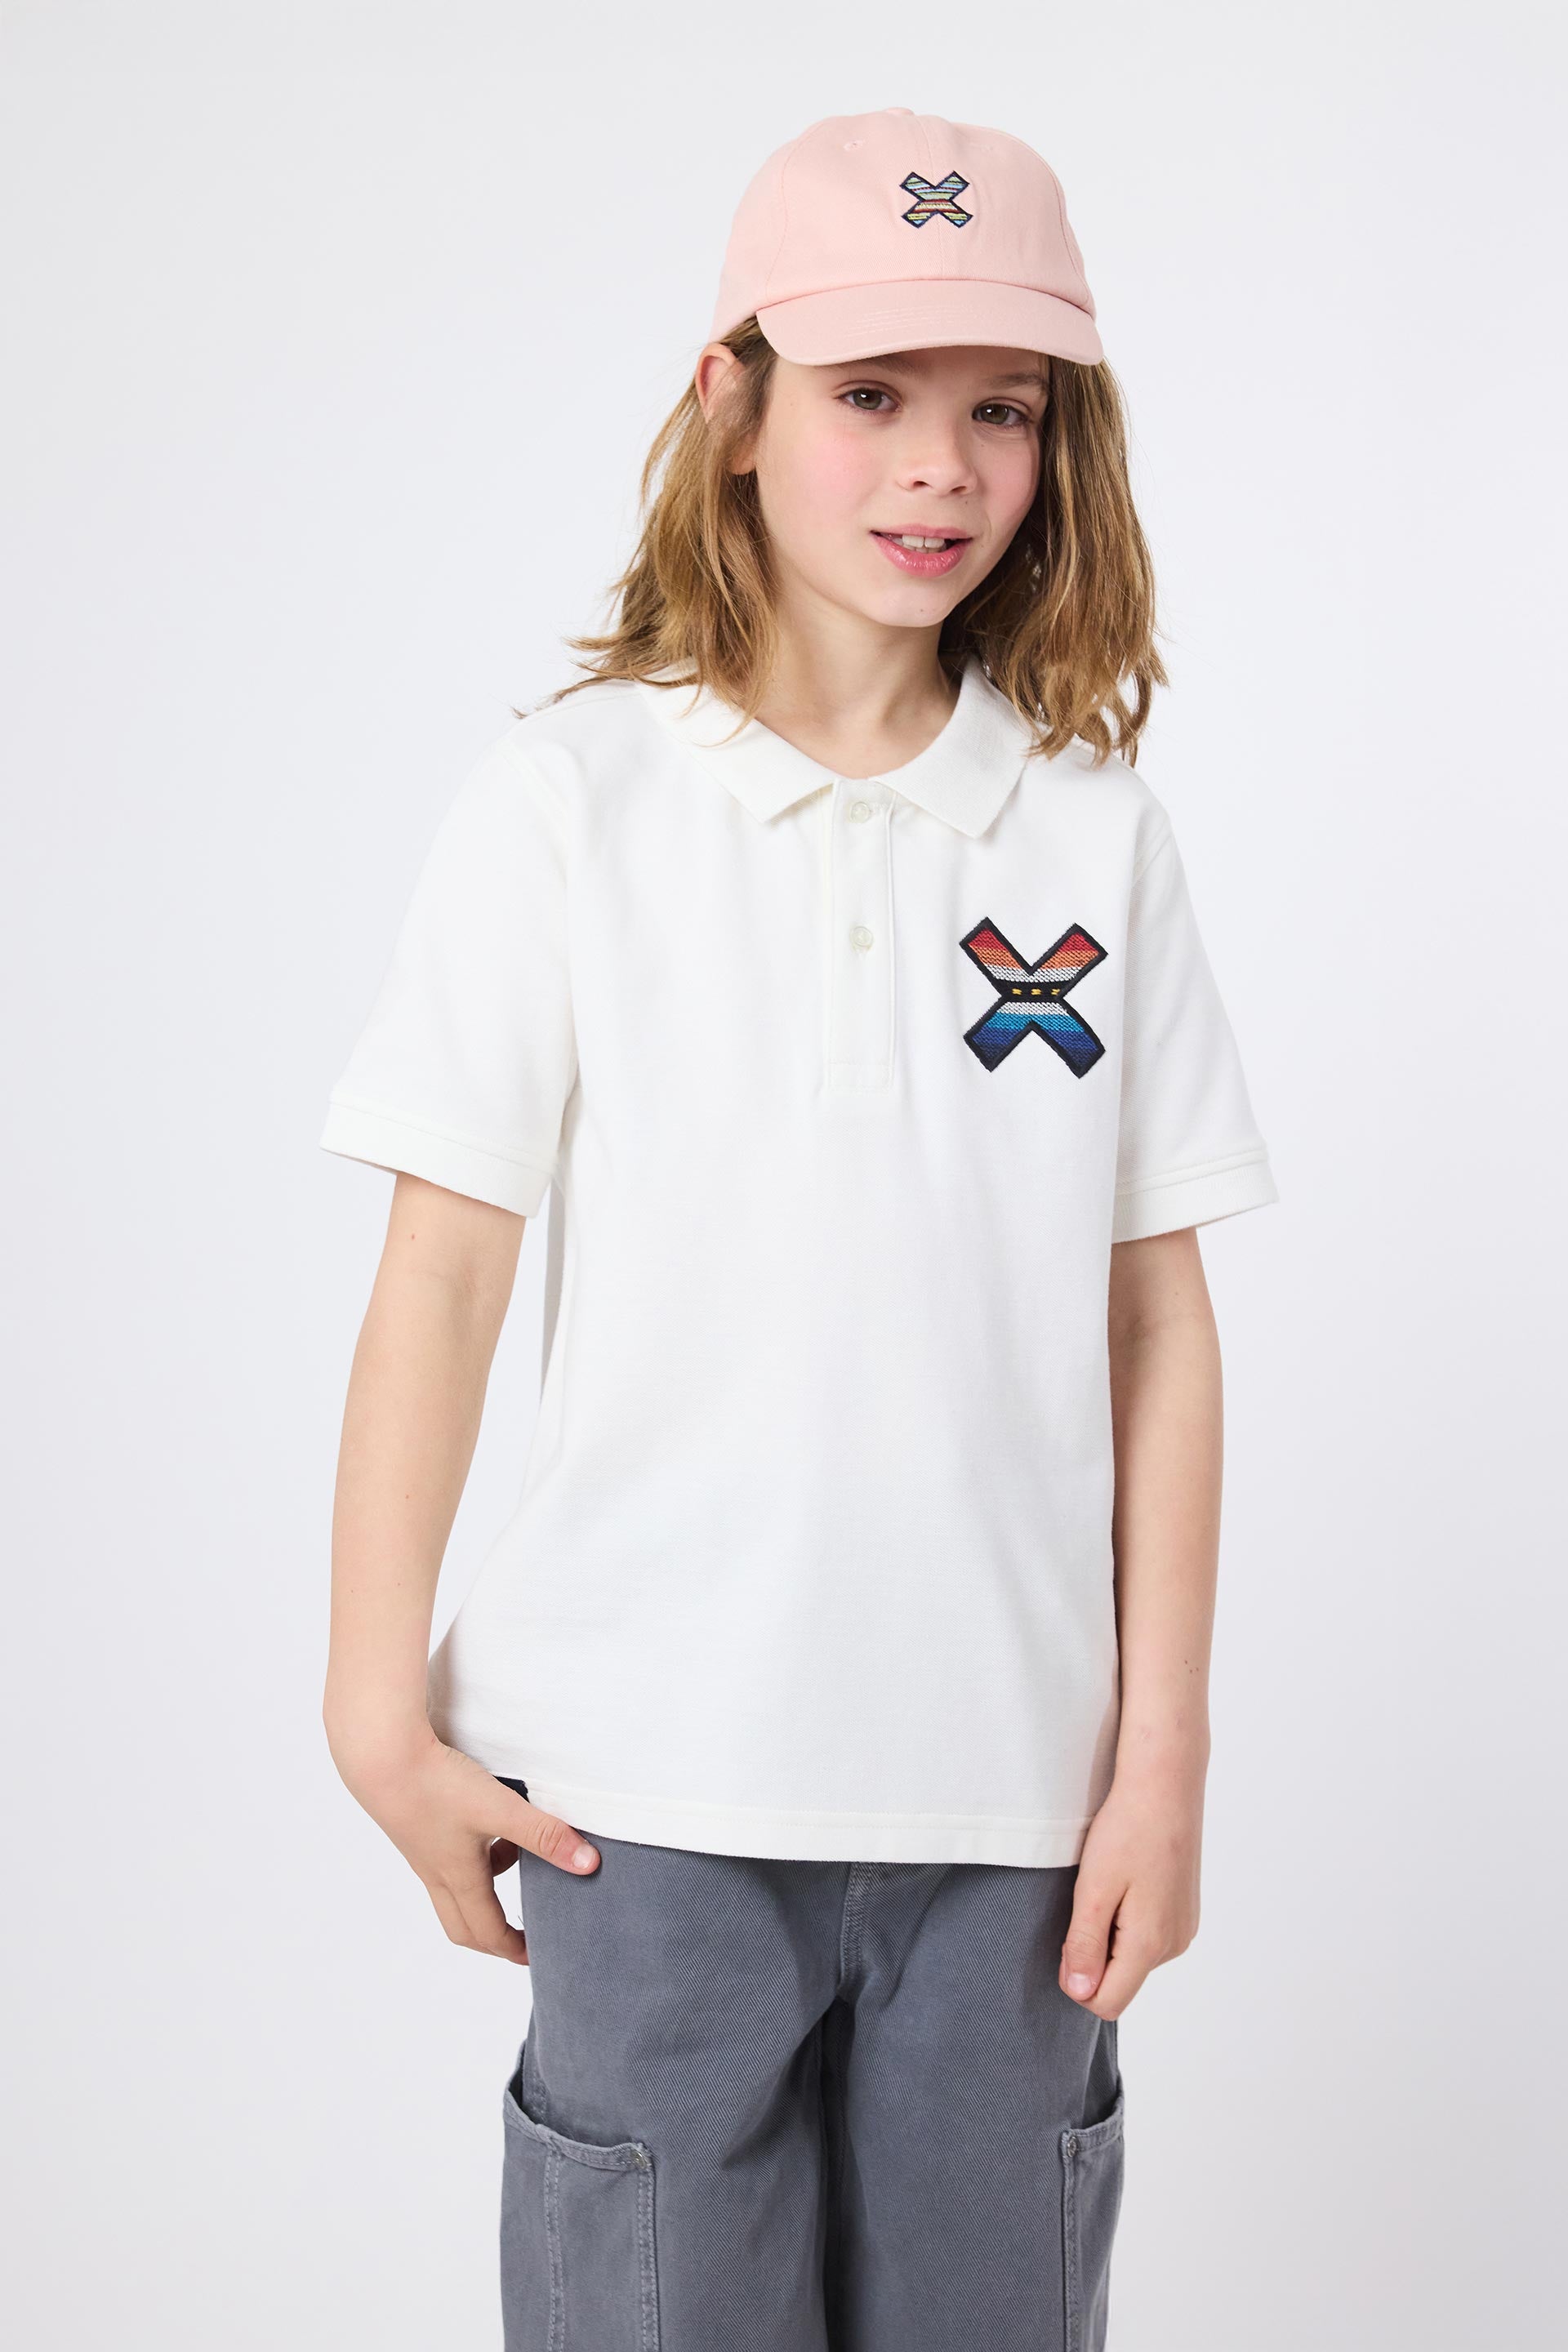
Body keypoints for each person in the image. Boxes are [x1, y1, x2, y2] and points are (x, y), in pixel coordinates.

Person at [320, 105, 1278, 2352]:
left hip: (1013, 1815)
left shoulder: (1091, 832)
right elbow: (441, 1275)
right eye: (871, 393)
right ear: (732, 406)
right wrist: (375, 1703)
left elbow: (1158, 1326)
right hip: (637, 1800)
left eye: (1002, 407)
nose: (940, 464)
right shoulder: (572, 802)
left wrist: (1162, 1753)